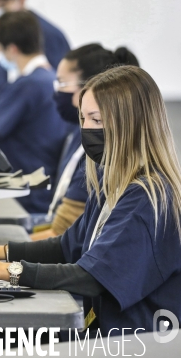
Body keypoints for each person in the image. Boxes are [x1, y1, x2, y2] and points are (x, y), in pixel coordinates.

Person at [0, 65, 181, 336]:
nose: (87, 129)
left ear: (132, 125)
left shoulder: (147, 199)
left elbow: (92, 278)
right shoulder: (111, 182)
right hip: (103, 330)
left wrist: (4, 271)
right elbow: (68, 246)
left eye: (97, 120)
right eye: (83, 119)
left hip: (134, 342)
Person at [31, 44, 140, 240]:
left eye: (63, 84)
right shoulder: (77, 136)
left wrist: (2, 255)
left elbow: (62, 235)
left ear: (89, 86)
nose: (57, 93)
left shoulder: (99, 152)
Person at [0, 11, 69, 214]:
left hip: (26, 195)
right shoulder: (48, 79)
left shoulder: (29, 85)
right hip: (41, 184)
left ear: (12, 49)